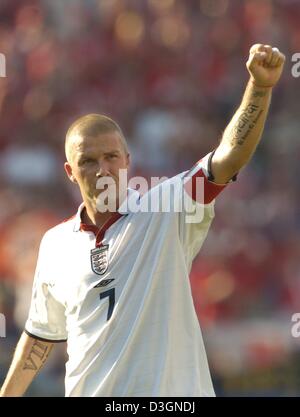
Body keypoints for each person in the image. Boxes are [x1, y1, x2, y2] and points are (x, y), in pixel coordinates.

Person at [0, 44, 285, 397]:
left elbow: (229, 157)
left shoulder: (167, 207)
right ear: (70, 172)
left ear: (127, 160)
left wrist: (259, 88)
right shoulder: (55, 244)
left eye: (111, 156)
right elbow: (40, 335)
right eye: (88, 161)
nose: (102, 169)